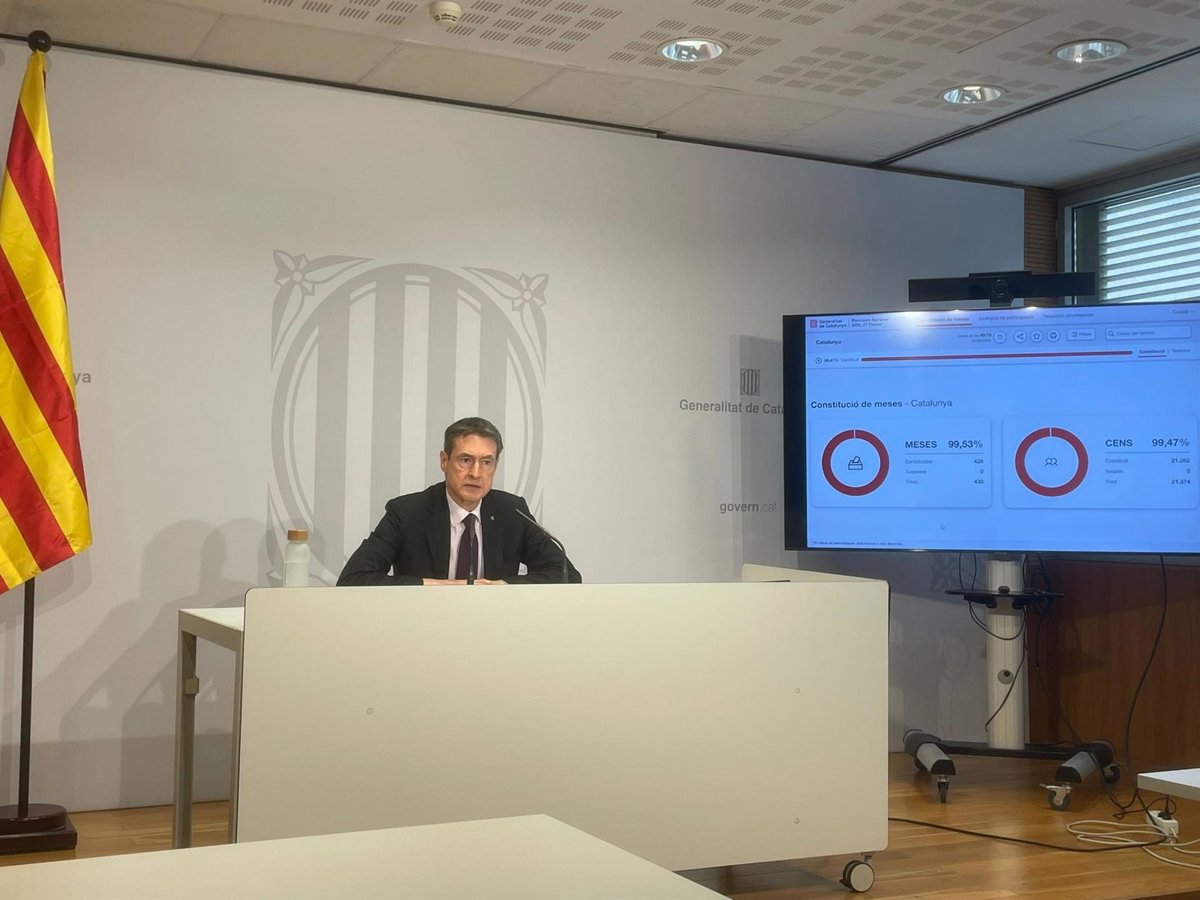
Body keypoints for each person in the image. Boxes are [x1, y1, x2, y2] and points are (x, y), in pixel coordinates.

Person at [337, 417, 581, 586]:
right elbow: (354, 578)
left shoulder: (512, 512)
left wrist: (502, 586)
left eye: (486, 462)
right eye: (465, 460)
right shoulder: (407, 513)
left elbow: (567, 575)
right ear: (444, 461)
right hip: (423, 627)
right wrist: (432, 586)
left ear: (496, 466)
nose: (476, 473)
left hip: (494, 629)